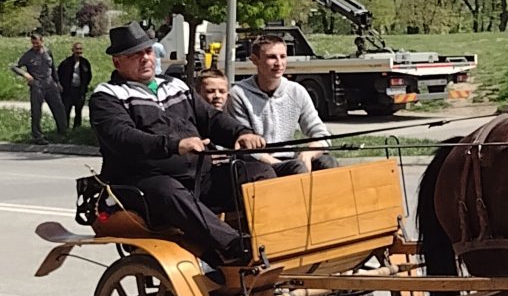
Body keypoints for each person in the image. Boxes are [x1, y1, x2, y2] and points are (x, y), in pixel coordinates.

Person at [89, 21, 276, 267]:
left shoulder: (175, 85)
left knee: (259, 172)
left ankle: (274, 240)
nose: (145, 58)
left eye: (148, 51)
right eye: (135, 55)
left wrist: (240, 133)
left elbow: (211, 119)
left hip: (198, 177)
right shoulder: (107, 96)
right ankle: (235, 248)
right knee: (168, 190)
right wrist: (175, 145)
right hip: (143, 183)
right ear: (117, 62)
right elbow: (123, 138)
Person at [228, 35, 337, 176]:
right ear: (255, 60)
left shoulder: (296, 91)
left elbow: (322, 135)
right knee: (297, 167)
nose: (279, 63)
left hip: (290, 159)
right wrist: (278, 163)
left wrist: (308, 153)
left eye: (283, 56)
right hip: (258, 163)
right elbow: (244, 145)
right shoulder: (238, 94)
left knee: (328, 162)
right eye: (271, 57)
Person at [14, 33, 68, 144]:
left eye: (37, 43)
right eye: (33, 43)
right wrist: (25, 74)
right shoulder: (28, 55)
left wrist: (57, 82)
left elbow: (53, 67)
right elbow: (15, 67)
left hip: (50, 84)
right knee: (36, 112)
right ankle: (38, 136)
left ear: (42, 41)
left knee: (59, 108)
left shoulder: (48, 52)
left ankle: (63, 133)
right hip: (37, 85)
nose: (35, 45)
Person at [57, 42, 93, 128]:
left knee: (78, 111)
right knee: (66, 110)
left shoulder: (85, 63)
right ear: (72, 50)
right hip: (68, 91)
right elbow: (59, 75)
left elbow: (89, 76)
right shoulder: (66, 63)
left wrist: (84, 86)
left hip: (80, 91)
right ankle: (65, 128)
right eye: (77, 49)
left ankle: (77, 128)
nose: (78, 51)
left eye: (80, 49)